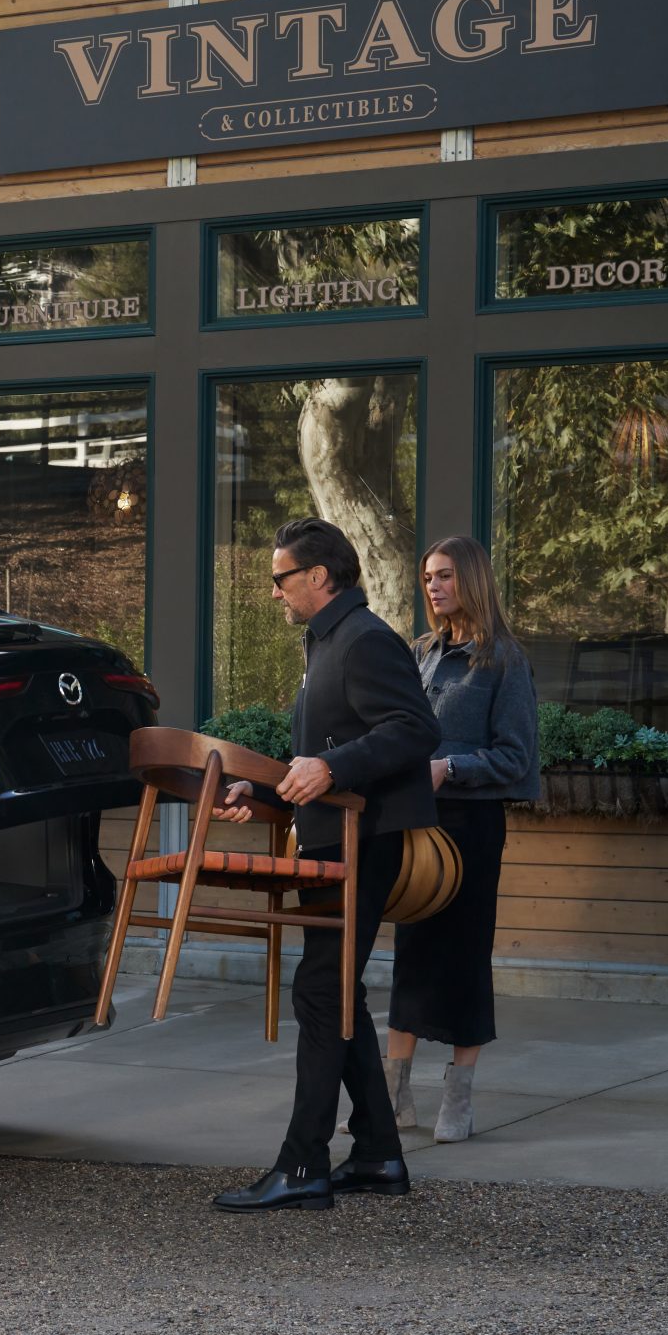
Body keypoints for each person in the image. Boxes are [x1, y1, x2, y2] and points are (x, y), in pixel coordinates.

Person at [210, 517, 440, 1213]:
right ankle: (375, 1154)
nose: (274, 592)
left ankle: (304, 1162)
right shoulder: (329, 643)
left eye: (281, 577)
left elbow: (415, 729)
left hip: (363, 842)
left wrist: (333, 766)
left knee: (321, 992)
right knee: (334, 992)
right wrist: (270, 789)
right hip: (332, 840)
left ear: (318, 576)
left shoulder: (365, 639)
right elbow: (322, 760)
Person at [384, 537, 540, 1144]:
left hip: (471, 827)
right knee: (411, 955)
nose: (433, 586)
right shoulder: (419, 653)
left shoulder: (504, 659)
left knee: (465, 958)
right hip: (415, 824)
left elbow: (518, 758)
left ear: (472, 579)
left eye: (444, 575)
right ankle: (396, 1095)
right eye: (426, 577)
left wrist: (450, 768)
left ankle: (459, 1095)